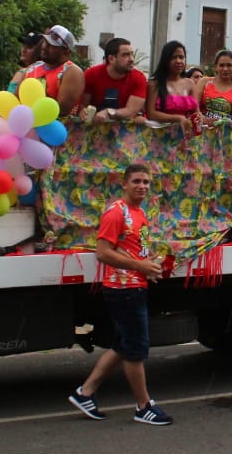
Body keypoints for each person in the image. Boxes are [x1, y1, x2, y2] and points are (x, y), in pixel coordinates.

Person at [68, 164, 174, 425]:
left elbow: (143, 250)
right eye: (137, 181)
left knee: (122, 345)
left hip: (136, 286)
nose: (142, 186)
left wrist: (151, 266)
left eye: (147, 182)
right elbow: (102, 252)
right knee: (135, 349)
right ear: (124, 184)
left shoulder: (142, 214)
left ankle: (86, 392)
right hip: (122, 290)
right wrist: (140, 266)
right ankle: (143, 406)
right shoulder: (116, 213)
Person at [83, 37, 147, 125]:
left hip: (125, 130)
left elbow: (131, 112)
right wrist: (83, 112)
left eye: (132, 54)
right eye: (125, 55)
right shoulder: (91, 74)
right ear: (111, 59)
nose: (131, 59)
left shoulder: (139, 78)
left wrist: (108, 112)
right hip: (94, 126)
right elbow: (83, 105)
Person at [25, 25, 84, 116]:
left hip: (56, 128)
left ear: (66, 51)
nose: (44, 47)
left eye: (51, 45)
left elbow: (62, 110)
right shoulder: (33, 67)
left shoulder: (72, 71)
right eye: (45, 42)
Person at [146, 40, 201, 131]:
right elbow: (151, 114)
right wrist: (178, 118)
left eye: (181, 57)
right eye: (173, 57)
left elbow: (196, 111)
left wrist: (199, 117)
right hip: (159, 135)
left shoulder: (190, 83)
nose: (178, 61)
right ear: (165, 60)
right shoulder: (154, 84)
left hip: (186, 136)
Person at [199, 50, 232, 120]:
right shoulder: (204, 82)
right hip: (203, 128)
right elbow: (194, 106)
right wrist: (202, 118)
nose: (225, 69)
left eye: (229, 65)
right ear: (215, 67)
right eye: (221, 65)